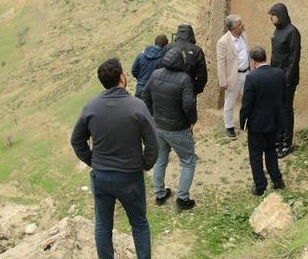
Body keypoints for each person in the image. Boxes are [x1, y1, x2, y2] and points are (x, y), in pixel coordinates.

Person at [70, 58, 158, 259]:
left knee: (103, 225)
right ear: (121, 77)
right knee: (139, 223)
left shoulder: (91, 107)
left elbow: (76, 140)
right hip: (130, 177)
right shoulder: (137, 106)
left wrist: (93, 161)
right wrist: (145, 163)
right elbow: (153, 144)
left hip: (101, 177)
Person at [141, 46, 198, 211]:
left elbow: (145, 96)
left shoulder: (155, 74)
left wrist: (152, 116)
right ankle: (182, 198)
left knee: (160, 160)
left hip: (158, 126)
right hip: (178, 128)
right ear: (181, 61)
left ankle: (159, 194)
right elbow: (189, 104)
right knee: (188, 161)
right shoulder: (184, 79)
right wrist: (191, 121)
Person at [239, 46, 286, 195]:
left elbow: (246, 104)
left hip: (257, 124)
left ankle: (260, 185)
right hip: (274, 121)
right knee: (271, 151)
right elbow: (283, 98)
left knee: (256, 155)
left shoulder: (252, 78)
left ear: (253, 61)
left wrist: (242, 122)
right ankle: (277, 180)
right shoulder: (280, 74)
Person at [268, 3, 301, 158]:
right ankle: (277, 140)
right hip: (275, 76)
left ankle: (287, 144)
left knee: (286, 110)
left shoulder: (292, 32)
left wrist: (287, 78)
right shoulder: (277, 31)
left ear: (280, 15)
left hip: (287, 79)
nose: (270, 18)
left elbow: (294, 58)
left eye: (272, 15)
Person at [216, 14, 250, 139]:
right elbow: (220, 62)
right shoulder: (223, 42)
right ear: (234, 28)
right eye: (240, 24)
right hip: (233, 76)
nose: (243, 26)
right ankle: (229, 127)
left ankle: (247, 124)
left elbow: (248, 53)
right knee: (229, 103)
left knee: (249, 100)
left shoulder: (244, 35)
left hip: (246, 74)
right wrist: (222, 80)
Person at [163, 24, 208, 97]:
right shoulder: (197, 50)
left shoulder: (168, 47)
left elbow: (160, 68)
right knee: (188, 108)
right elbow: (202, 75)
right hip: (188, 90)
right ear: (191, 34)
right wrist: (195, 90)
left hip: (168, 89)